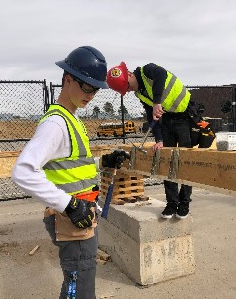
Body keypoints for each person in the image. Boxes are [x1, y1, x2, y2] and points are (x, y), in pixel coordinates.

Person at [12, 46, 128, 299]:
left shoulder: (72, 119)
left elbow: (71, 165)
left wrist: (104, 161)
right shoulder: (56, 124)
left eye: (95, 88)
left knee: (80, 281)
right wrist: (69, 205)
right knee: (79, 287)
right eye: (87, 86)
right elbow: (23, 171)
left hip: (82, 216)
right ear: (68, 79)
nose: (92, 94)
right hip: (72, 218)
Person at [106, 61, 194, 220]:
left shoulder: (147, 71)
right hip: (167, 120)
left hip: (185, 116)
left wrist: (157, 102)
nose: (128, 90)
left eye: (127, 86)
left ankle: (184, 202)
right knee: (167, 162)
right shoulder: (140, 93)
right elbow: (151, 115)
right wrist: (159, 139)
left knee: (185, 161)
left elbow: (161, 74)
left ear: (130, 75)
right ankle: (172, 203)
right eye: (125, 90)